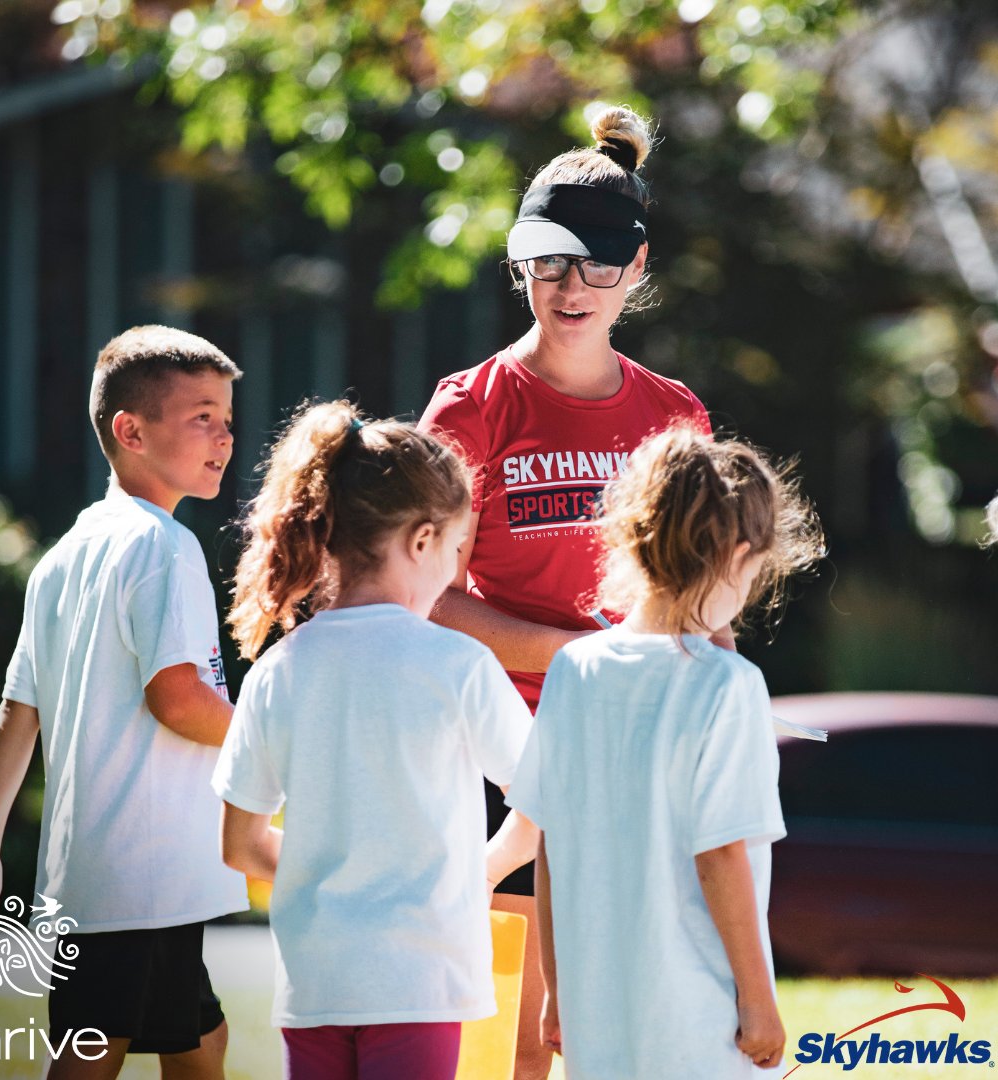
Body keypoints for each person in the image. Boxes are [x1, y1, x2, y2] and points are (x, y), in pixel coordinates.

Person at [418, 102, 713, 1079]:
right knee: (508, 1033)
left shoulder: (676, 416)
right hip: (495, 749)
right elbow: (417, 591)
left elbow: (695, 591)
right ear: (520, 267)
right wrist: (564, 656)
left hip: (625, 747)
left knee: (598, 1024)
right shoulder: (472, 405)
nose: (570, 286)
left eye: (596, 264)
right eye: (548, 261)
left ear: (634, 270)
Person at [0, 325, 249, 1079]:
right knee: (90, 1055)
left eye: (227, 417)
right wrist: (273, 739)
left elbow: (18, 710)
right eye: (202, 415)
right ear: (130, 431)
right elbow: (177, 697)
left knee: (201, 1042)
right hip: (139, 876)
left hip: (129, 880)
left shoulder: (65, 554)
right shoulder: (161, 545)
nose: (224, 435)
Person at [212, 401, 534, 1080]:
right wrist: (482, 870)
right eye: (455, 549)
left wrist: (321, 871)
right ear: (423, 541)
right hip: (420, 980)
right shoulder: (459, 664)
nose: (454, 570)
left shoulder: (276, 671)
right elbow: (547, 796)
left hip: (314, 983)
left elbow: (239, 844)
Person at [506, 425, 825, 1079]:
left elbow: (549, 842)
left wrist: (558, 991)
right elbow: (720, 852)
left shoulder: (573, 668)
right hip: (698, 1022)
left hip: (597, 1016)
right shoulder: (728, 683)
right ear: (738, 553)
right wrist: (760, 1001)